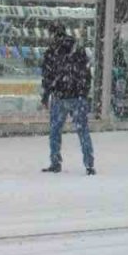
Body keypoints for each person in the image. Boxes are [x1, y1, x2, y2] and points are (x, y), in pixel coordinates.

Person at [40, 28, 95, 175]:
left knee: (55, 131)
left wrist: (46, 95)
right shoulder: (79, 50)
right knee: (82, 130)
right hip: (78, 97)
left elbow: (47, 77)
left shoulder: (52, 53)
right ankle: (89, 165)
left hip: (60, 96)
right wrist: (83, 92)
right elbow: (87, 74)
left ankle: (55, 162)